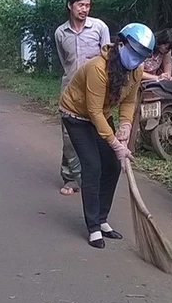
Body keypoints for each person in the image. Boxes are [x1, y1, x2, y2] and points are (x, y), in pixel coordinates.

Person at [59, 23, 155, 248]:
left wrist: (125, 127)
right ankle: (92, 227)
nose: (136, 59)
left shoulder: (136, 70)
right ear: (120, 44)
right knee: (92, 166)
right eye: (134, 52)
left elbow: (129, 100)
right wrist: (115, 143)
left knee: (112, 166)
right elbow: (92, 111)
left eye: (141, 56)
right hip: (76, 115)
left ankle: (102, 219)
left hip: (101, 114)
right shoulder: (98, 68)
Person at [53, 0, 111, 197]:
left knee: (95, 131)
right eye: (80, 5)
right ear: (70, 6)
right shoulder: (61, 33)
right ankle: (70, 178)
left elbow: (108, 58)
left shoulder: (99, 27)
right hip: (70, 88)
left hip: (95, 88)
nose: (84, 9)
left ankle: (94, 173)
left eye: (87, 5)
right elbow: (64, 61)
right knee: (69, 135)